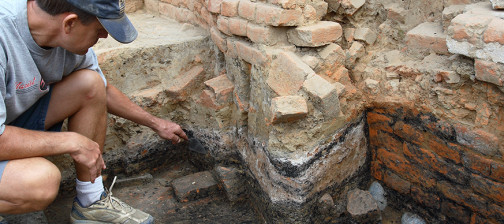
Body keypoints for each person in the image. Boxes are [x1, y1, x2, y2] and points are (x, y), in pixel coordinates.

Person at [0, 0, 188, 223]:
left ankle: (91, 202)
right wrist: (71, 141)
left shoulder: (64, 39)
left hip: (9, 126)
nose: (104, 37)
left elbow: (101, 90)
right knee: (41, 182)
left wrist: (156, 123)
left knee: (90, 83)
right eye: (99, 30)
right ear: (70, 23)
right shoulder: (4, 34)